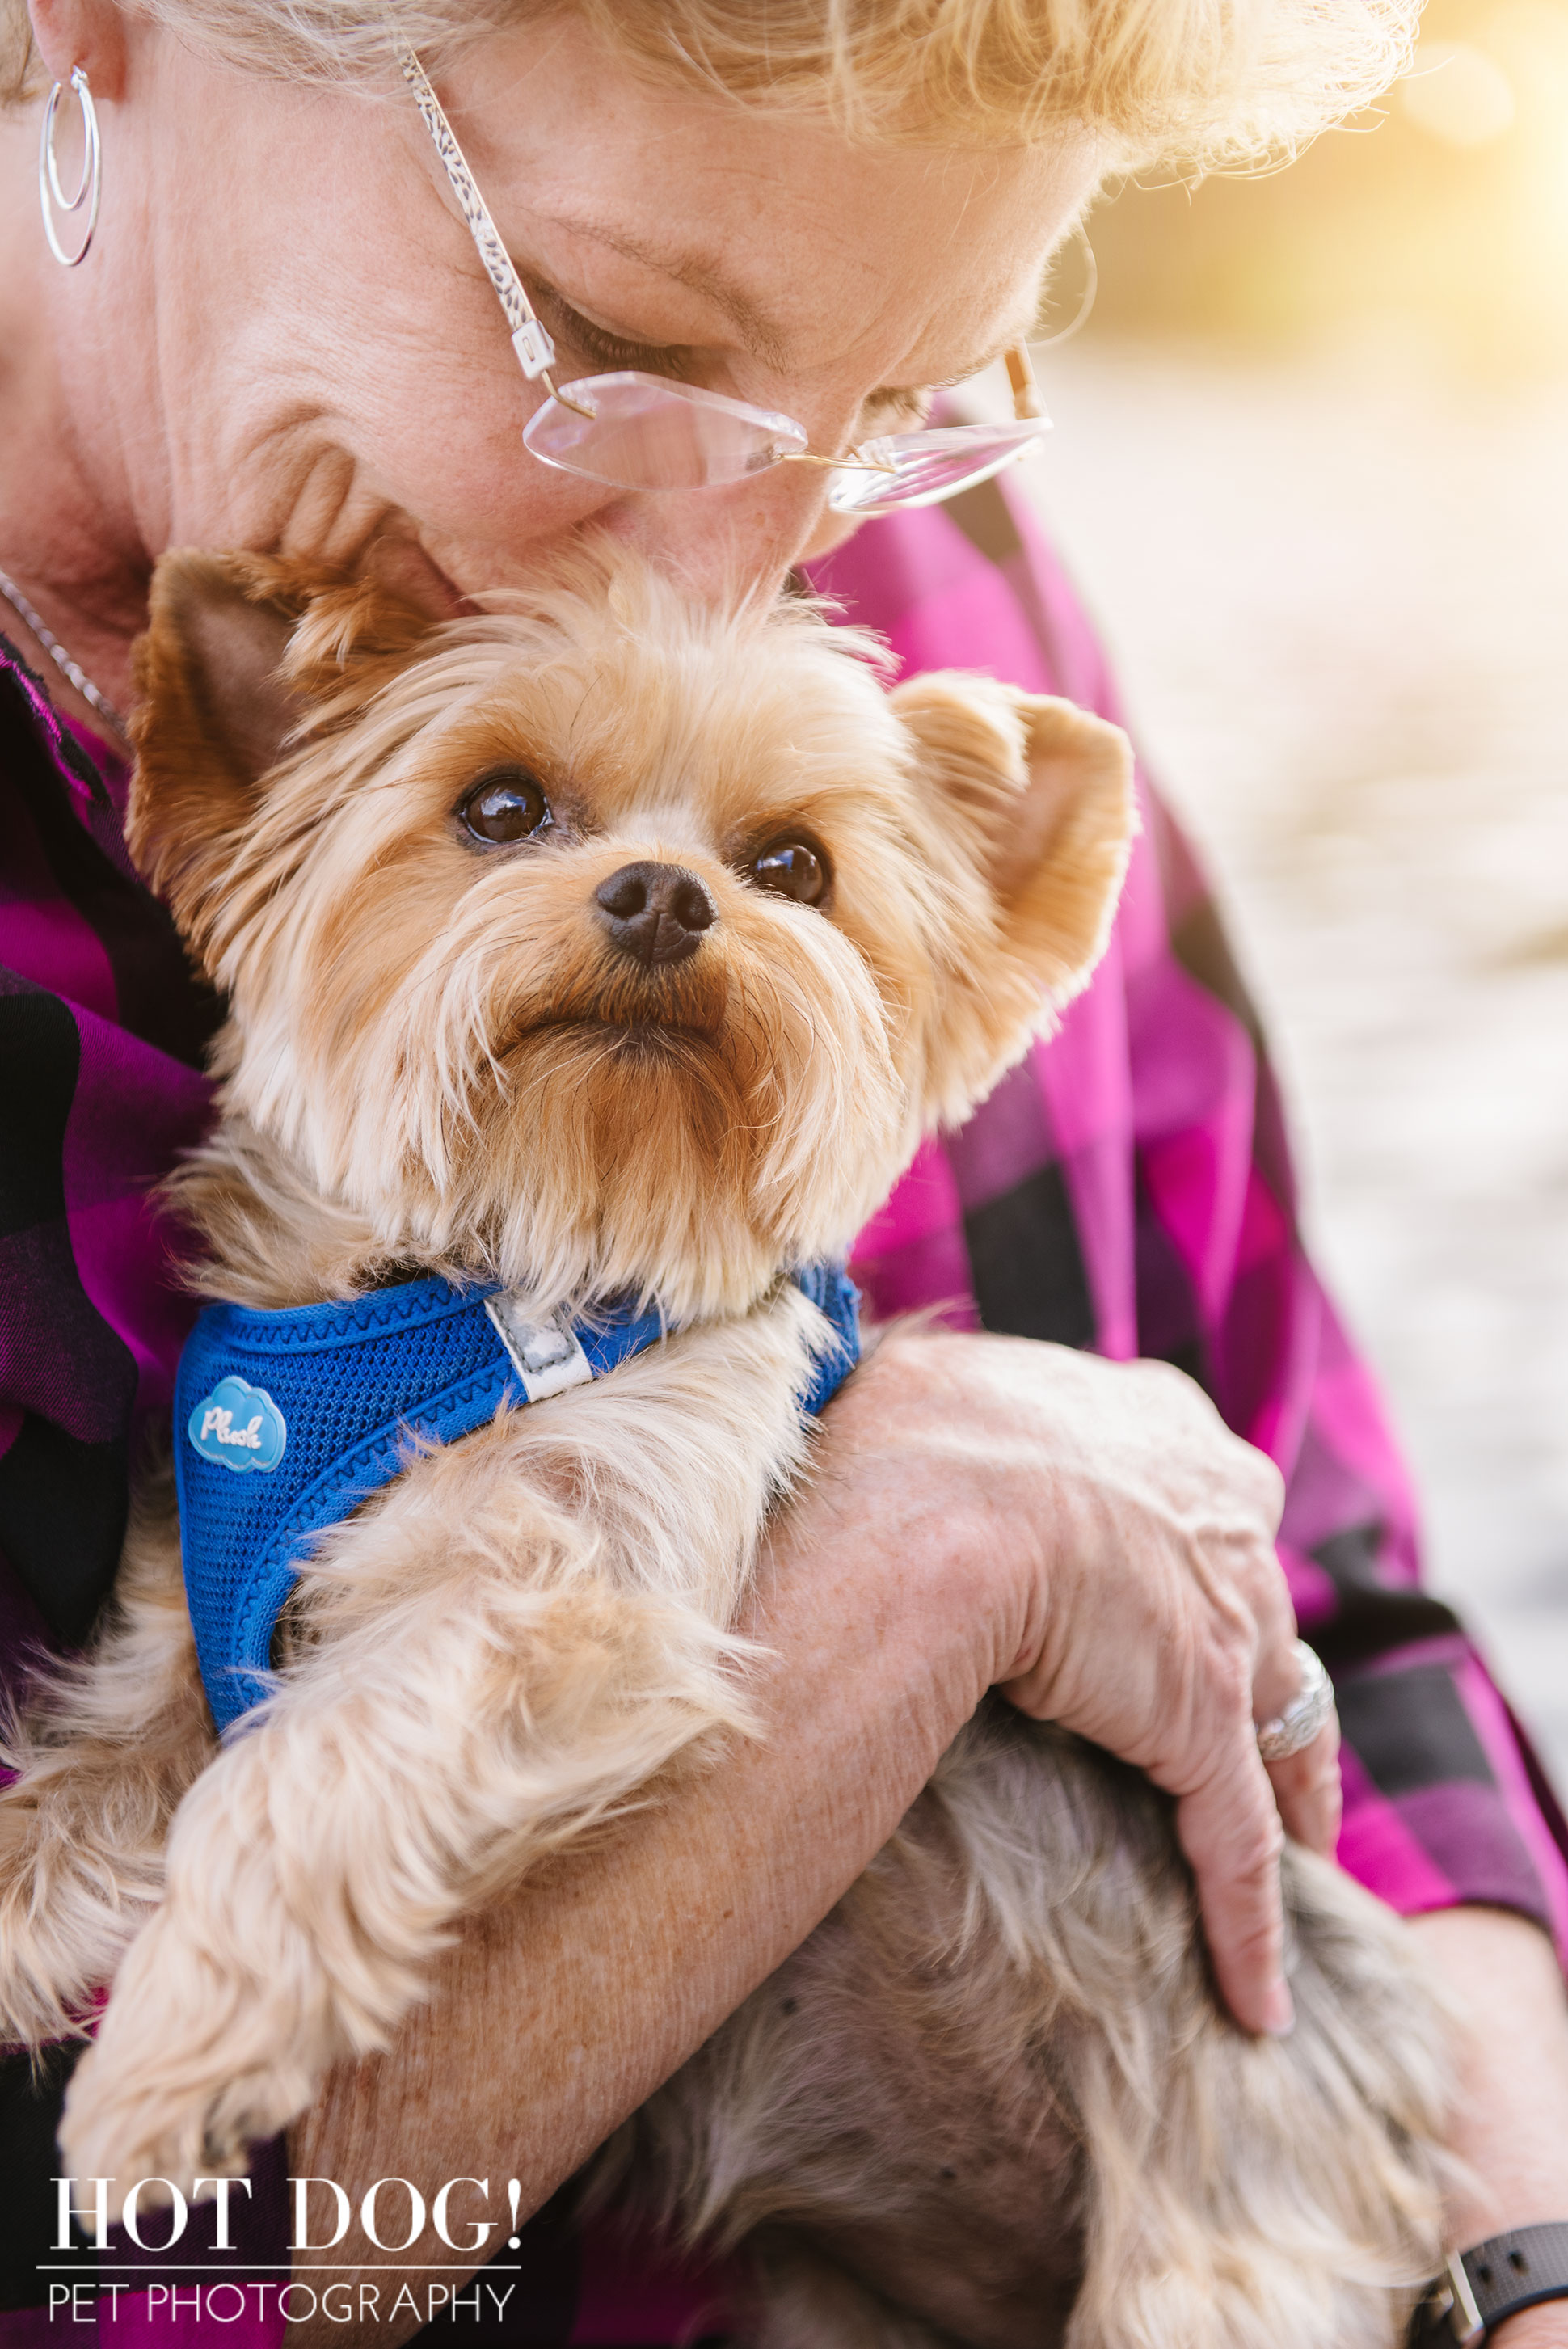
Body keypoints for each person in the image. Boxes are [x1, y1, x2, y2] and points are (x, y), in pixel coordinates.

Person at [0, 1, 1564, 2343]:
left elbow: (1326, 1613)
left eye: (895, 406)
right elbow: (68, 2273)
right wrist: (896, 1567)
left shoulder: (919, 630)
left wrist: (1518, 2269)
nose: (742, 562)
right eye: (619, 338)